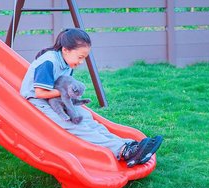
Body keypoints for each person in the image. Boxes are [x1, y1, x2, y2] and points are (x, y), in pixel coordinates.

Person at [20, 28, 162, 167]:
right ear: (66, 50)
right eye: (80, 57)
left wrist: (71, 97)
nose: (81, 62)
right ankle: (123, 151)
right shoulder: (49, 62)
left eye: (84, 58)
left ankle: (127, 145)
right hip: (37, 102)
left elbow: (62, 88)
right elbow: (40, 93)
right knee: (73, 123)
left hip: (55, 99)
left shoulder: (66, 63)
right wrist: (66, 93)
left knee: (86, 118)